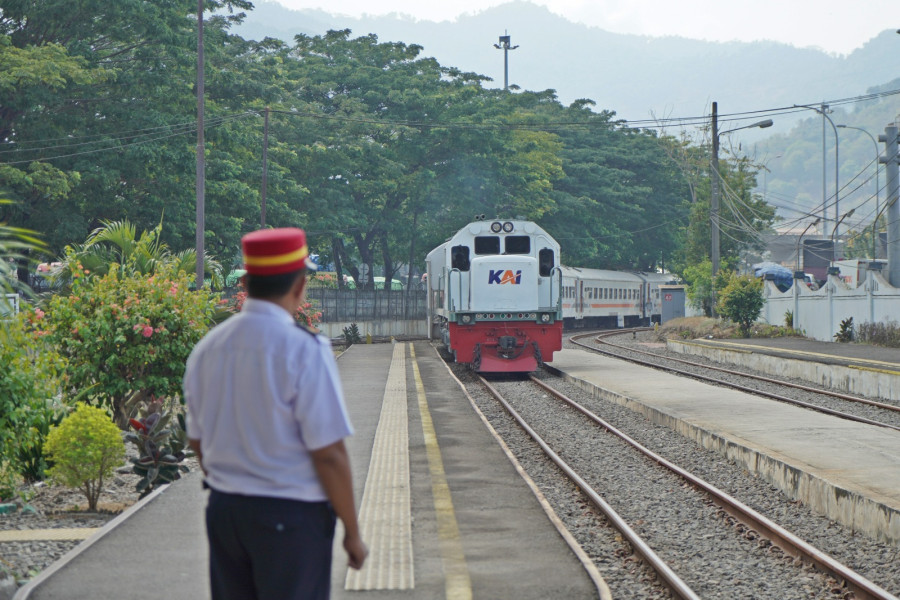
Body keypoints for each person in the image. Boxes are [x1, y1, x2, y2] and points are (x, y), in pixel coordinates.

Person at [184, 227, 367, 600]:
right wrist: (352, 531)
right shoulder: (305, 350)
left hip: (225, 512)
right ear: (300, 285)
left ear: (247, 282)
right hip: (290, 517)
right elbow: (329, 454)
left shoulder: (207, 349)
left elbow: (198, 441)